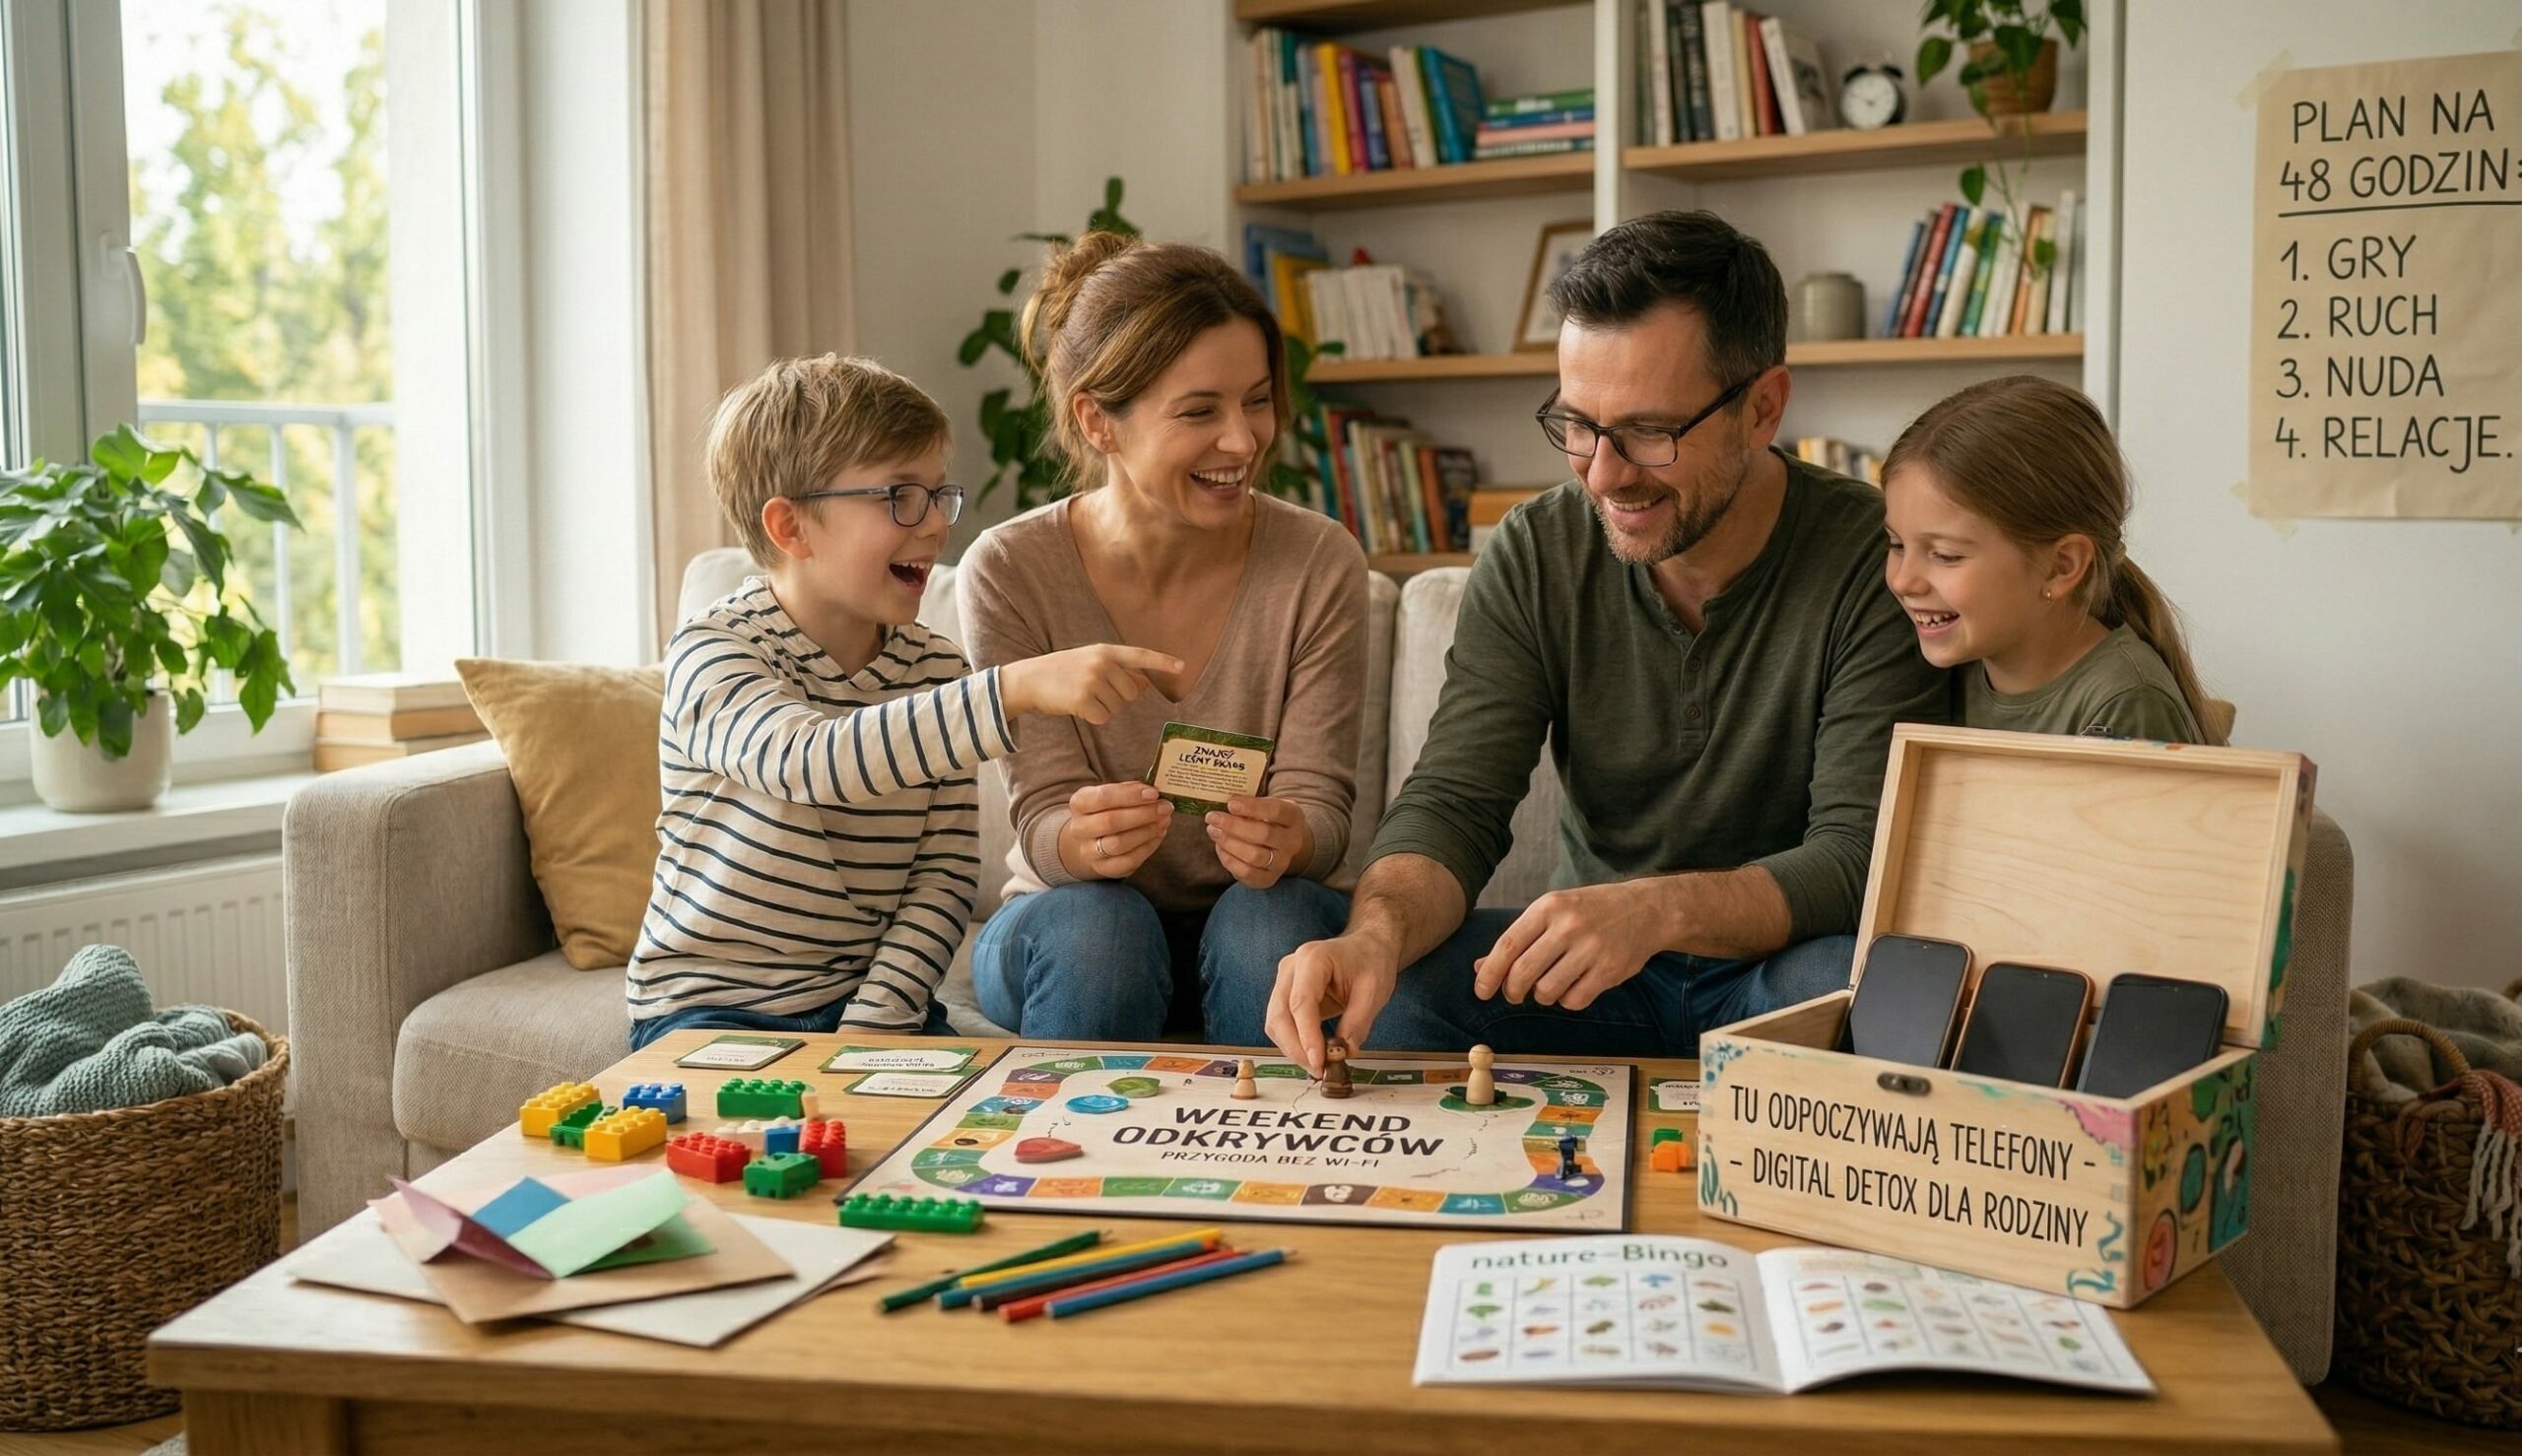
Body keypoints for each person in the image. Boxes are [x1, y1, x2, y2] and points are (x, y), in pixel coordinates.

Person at [1229, 210, 1951, 1072]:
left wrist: (1653, 911)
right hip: (1588, 983)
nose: (1603, 474)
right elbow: (1454, 803)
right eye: (1577, 424)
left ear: (1763, 409)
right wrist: (1374, 937)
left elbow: (1854, 858)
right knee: (1386, 1000)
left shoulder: (1878, 561)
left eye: (1650, 431)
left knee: (1875, 995)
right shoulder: (1537, 550)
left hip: (1782, 972)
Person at [627, 354, 1179, 1050]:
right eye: (898, 497)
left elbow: (941, 875)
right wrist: (1013, 687)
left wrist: (876, 1020)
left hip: (869, 1007)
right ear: (790, 528)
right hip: (710, 1009)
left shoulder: (935, 670)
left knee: (956, 1140)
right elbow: (810, 760)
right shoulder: (715, 650)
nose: (932, 525)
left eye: (937, 494)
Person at [959, 232, 1368, 1041]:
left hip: (1254, 922)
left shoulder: (1320, 561)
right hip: (1069, 926)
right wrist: (1079, 841)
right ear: (1097, 421)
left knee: (1268, 927)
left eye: (1257, 400)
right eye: (1199, 411)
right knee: (1099, 931)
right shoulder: (1010, 569)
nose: (1245, 441)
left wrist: (1296, 834)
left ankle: (1274, 1159)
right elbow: (1038, 817)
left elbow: (1323, 809)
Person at [1882, 374, 2219, 744]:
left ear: (2061, 567)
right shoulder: (1944, 665)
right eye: (1897, 545)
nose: (1903, 580)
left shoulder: (2125, 702)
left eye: (1946, 556)